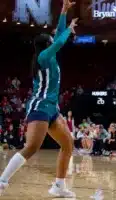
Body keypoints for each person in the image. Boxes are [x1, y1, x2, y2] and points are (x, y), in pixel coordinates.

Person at [0, 0, 78, 197]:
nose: (55, 39)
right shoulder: (43, 57)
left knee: (68, 144)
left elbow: (59, 37)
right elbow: (61, 39)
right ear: (47, 44)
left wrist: (63, 11)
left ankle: (59, 186)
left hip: (52, 108)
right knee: (31, 147)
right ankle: (2, 180)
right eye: (51, 39)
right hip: (40, 106)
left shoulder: (50, 55)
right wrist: (69, 28)